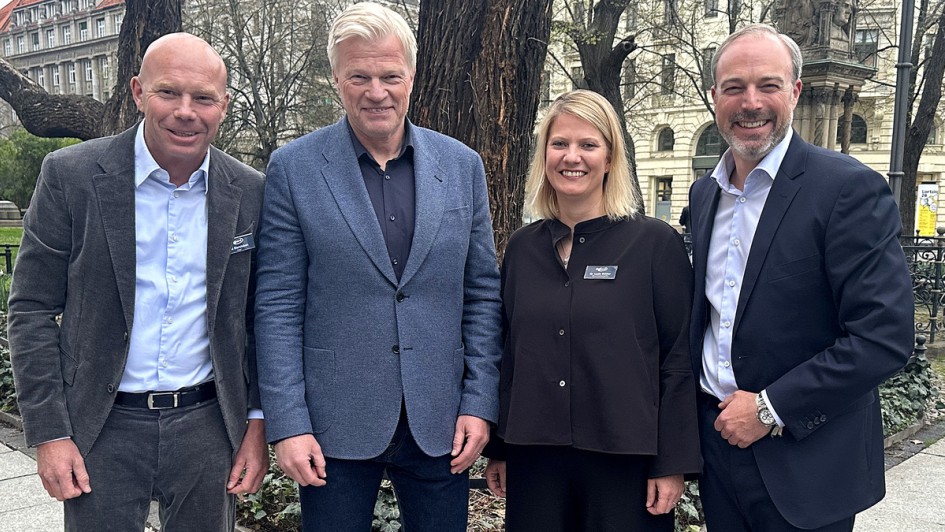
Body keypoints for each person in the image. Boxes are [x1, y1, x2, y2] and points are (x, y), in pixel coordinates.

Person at [253, 3, 502, 531]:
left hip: (441, 420)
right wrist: (288, 423)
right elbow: (277, 305)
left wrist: (479, 402)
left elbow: (481, 294)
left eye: (390, 76)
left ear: (411, 77)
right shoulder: (294, 169)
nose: (376, 92)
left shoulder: (462, 166)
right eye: (359, 77)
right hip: (332, 425)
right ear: (336, 79)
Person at [7, 32, 267, 531]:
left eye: (203, 98)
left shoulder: (250, 191)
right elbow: (31, 308)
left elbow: (259, 318)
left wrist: (256, 423)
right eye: (168, 92)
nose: (185, 111)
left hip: (208, 427)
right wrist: (50, 433)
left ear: (224, 105)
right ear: (138, 92)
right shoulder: (72, 176)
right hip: (100, 427)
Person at [689, 24, 914, 531]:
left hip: (807, 462)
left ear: (794, 91)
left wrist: (768, 409)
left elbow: (883, 336)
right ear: (714, 96)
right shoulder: (705, 194)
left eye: (767, 85)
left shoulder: (847, 189)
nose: (751, 103)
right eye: (734, 87)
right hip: (717, 452)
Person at [482, 90, 702, 531]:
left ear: (610, 157)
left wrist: (672, 462)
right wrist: (500, 448)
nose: (572, 157)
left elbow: (678, 358)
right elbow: (509, 353)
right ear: (544, 156)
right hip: (534, 460)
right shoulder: (523, 249)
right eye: (559, 144)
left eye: (588, 144)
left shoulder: (654, 244)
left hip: (626, 461)